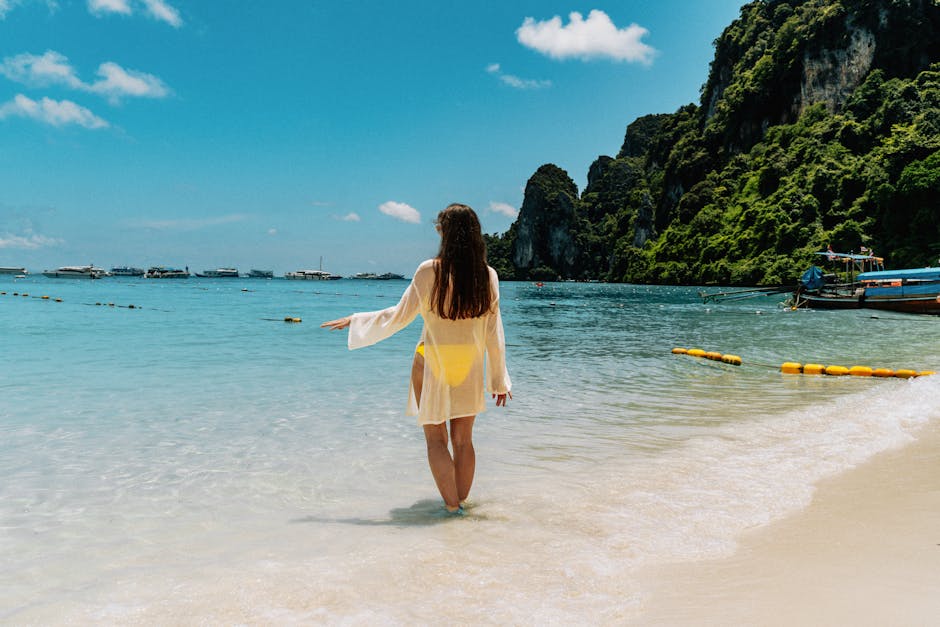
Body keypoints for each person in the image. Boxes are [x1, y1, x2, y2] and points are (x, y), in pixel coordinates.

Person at [321, 203, 512, 514]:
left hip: (433, 360)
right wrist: (499, 380)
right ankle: (461, 505)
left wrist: (356, 320)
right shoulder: (487, 275)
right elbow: (494, 331)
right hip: (470, 364)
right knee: (463, 440)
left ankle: (451, 509)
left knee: (436, 440)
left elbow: (400, 316)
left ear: (444, 233)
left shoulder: (429, 271)